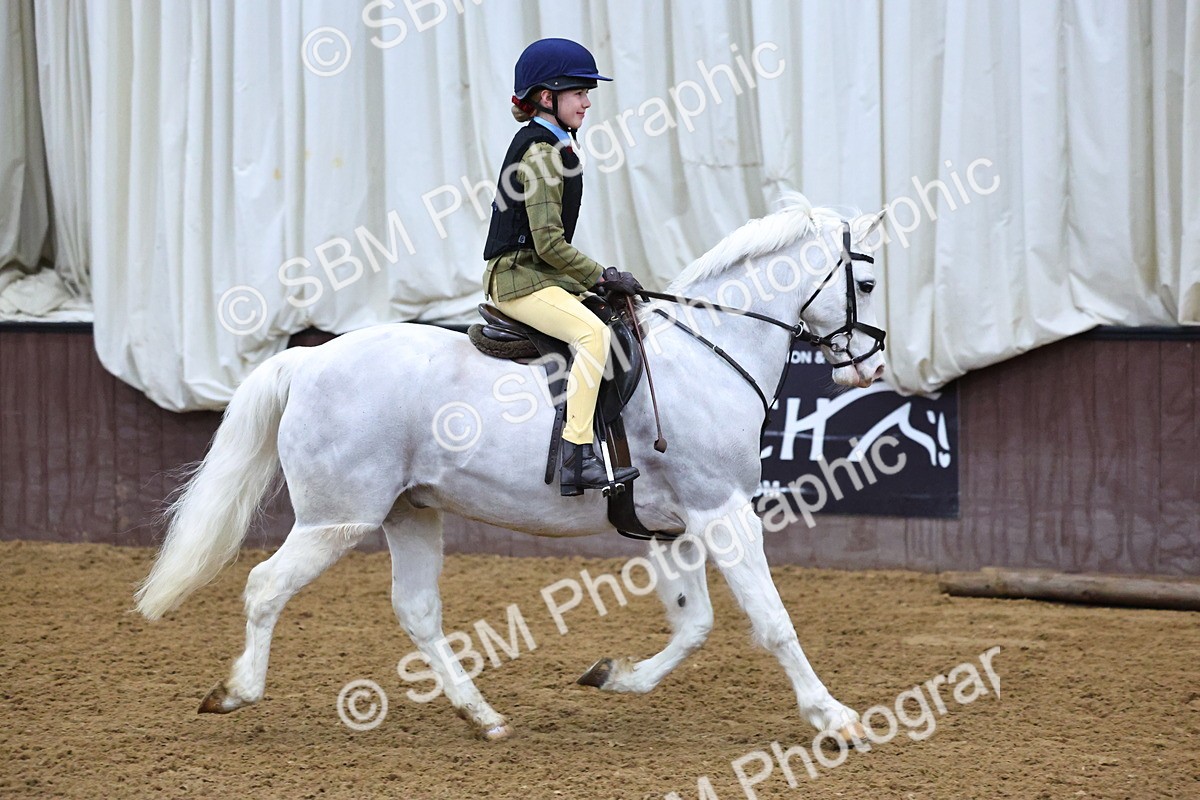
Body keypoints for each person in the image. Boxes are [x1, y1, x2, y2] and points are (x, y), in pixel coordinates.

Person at [482, 38, 642, 496]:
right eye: (578, 93)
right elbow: (549, 243)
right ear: (546, 97)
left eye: (586, 93)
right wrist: (601, 274)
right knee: (593, 335)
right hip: (518, 279)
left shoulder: (557, 145)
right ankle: (577, 453)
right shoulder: (542, 154)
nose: (587, 102)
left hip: (538, 274)